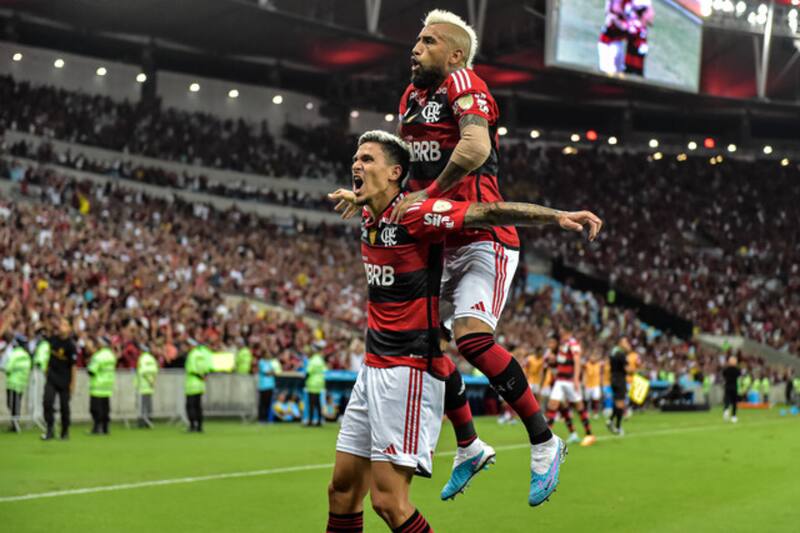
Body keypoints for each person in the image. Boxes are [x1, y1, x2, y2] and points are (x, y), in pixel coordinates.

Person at [345, 9, 578, 503]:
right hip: (441, 237)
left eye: (428, 41)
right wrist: (371, 195)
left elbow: (473, 148)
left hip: (483, 235)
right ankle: (469, 445)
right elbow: (400, 174)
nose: (416, 47)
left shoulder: (465, 81)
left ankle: (544, 440)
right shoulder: (411, 99)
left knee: (471, 339)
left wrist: (431, 194)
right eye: (417, 39)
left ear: (453, 55)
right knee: (425, 344)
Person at [326, 130, 601, 530]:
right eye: (356, 157)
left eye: (368, 159)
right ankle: (469, 443)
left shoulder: (419, 214)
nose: (357, 164)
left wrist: (556, 216)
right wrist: (359, 196)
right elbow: (370, 202)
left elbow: (488, 213)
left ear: (395, 173)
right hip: (372, 368)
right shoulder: (370, 211)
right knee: (342, 490)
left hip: (407, 371)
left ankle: (485, 441)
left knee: (388, 501)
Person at [545, 330, 596, 447]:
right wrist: (551, 361)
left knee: (579, 407)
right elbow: (555, 365)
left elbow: (577, 361)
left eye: (563, 334)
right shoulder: (557, 350)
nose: (550, 344)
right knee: (552, 406)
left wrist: (577, 379)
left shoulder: (571, 345)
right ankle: (546, 439)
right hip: (559, 381)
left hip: (570, 381)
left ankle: (589, 434)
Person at [42, 318, 77, 441]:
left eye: (65, 324)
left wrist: (73, 383)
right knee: (47, 402)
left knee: (64, 407)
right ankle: (50, 429)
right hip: (52, 378)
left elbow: (73, 366)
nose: (61, 326)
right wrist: (46, 370)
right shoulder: (53, 340)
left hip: (64, 380)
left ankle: (65, 431)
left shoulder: (71, 346)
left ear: (69, 329)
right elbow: (46, 354)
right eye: (61, 323)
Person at [86, 339, 117, 435]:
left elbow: (91, 371)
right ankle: (105, 428)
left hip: (97, 387)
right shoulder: (112, 356)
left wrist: (89, 363)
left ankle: (97, 428)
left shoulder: (98, 356)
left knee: (95, 409)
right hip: (107, 387)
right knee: (105, 409)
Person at [3, 336, 31, 433]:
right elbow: (27, 368)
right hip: (21, 383)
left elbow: (8, 367)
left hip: (13, 383)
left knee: (11, 403)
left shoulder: (15, 354)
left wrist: (8, 371)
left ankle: (15, 424)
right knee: (17, 404)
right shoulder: (26, 355)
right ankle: (15, 423)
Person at [185, 341, 213, 432]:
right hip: (201, 384)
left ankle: (192, 426)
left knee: (190, 406)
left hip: (192, 383)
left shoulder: (192, 355)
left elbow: (191, 369)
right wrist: (203, 376)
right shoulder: (204, 354)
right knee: (198, 406)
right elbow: (208, 368)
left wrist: (198, 376)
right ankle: (200, 426)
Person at [607, 338, 630, 435]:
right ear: (620, 343)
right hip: (620, 379)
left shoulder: (613, 351)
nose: (627, 344)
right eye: (625, 342)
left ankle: (610, 420)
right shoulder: (621, 354)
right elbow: (627, 369)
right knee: (620, 403)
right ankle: (618, 427)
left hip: (613, 378)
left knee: (617, 402)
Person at [305, 345, 327, 427]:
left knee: (311, 403)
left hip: (312, 383)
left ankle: (310, 421)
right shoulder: (320, 360)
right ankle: (319, 420)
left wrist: (305, 380)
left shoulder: (312, 360)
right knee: (318, 403)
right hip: (320, 382)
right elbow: (325, 370)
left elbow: (308, 372)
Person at [136, 348, 159, 428]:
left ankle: (143, 421)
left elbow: (142, 372)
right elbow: (156, 371)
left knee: (143, 405)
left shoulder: (142, 359)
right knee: (149, 404)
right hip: (150, 384)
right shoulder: (152, 359)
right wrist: (152, 381)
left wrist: (148, 380)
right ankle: (149, 420)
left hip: (143, 384)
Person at [257, 352, 282, 423]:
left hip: (270, 385)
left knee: (268, 403)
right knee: (263, 403)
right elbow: (266, 372)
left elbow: (277, 371)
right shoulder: (261, 362)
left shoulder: (271, 362)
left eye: (270, 354)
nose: (269, 355)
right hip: (263, 386)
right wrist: (273, 372)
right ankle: (261, 419)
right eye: (268, 354)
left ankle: (267, 418)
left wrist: (274, 372)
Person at [583, 348, 604, 419]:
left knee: (596, 399)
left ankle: (595, 413)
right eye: (592, 356)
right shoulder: (586, 364)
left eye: (594, 357)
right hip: (588, 384)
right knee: (587, 399)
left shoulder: (599, 364)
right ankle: (586, 412)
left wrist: (601, 381)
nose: (593, 358)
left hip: (596, 384)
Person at [722, 355, 741, 423]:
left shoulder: (726, 369)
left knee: (727, 399)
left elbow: (723, 374)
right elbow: (739, 375)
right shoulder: (737, 370)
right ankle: (734, 416)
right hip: (734, 387)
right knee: (734, 402)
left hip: (727, 386)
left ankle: (726, 409)